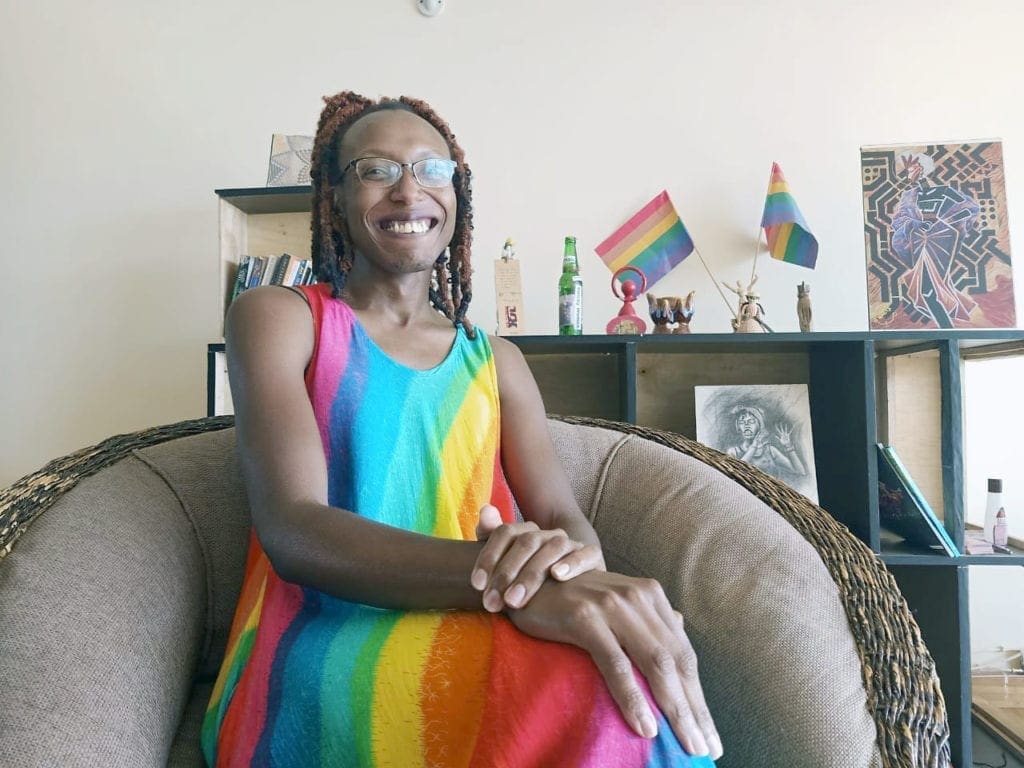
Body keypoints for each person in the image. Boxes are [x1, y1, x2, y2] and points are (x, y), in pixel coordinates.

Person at [201, 90, 722, 767]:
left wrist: (561, 573)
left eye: (432, 169)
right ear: (334, 198)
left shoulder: (496, 359)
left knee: (631, 698)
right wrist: (506, 581)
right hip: (326, 636)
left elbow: (563, 514)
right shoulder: (280, 316)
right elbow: (294, 528)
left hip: (483, 610)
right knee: (593, 700)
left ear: (458, 196)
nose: (408, 189)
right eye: (377, 170)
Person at [725, 405, 805, 477]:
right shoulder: (733, 452)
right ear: (738, 427)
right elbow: (733, 474)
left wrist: (788, 446)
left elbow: (800, 472)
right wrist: (754, 447)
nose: (746, 425)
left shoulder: (770, 451)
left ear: (759, 425)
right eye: (742, 422)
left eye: (751, 421)